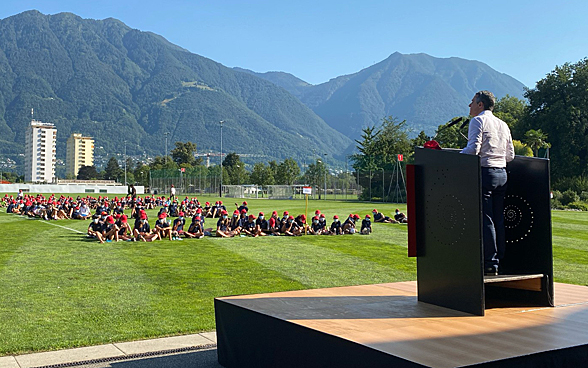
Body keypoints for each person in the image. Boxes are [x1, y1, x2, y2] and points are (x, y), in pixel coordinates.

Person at [461, 90, 515, 276]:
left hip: (485, 173)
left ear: (480, 104)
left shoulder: (478, 121)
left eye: (472, 102)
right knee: (498, 218)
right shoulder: (503, 124)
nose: (470, 106)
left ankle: (490, 263)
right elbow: (510, 155)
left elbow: (473, 149)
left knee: (486, 219)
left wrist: (456, 155)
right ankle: (501, 258)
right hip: (502, 174)